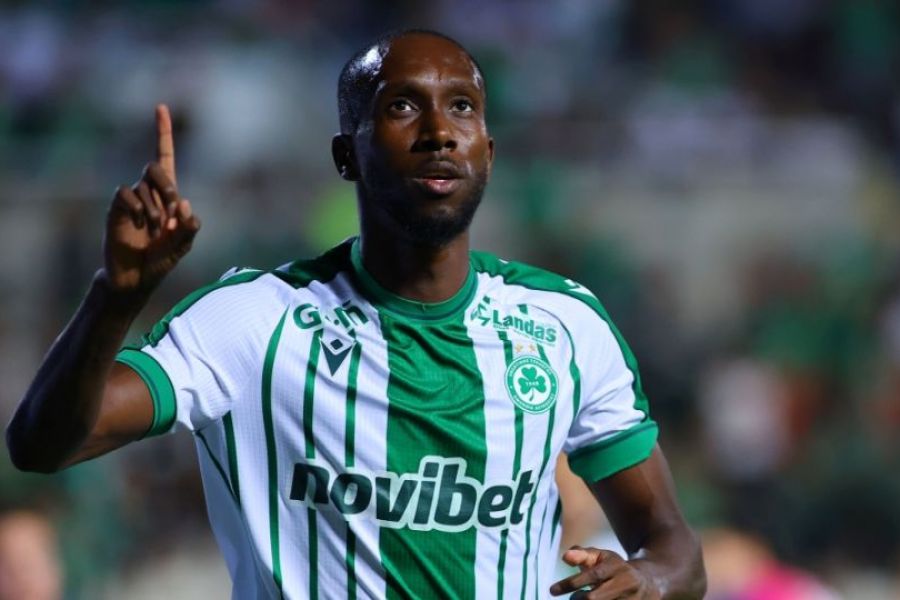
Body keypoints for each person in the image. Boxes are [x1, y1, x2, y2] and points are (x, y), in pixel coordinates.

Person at [6, 29, 705, 599]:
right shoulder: (253, 322)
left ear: (488, 152)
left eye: (462, 107)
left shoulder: (565, 327)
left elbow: (676, 551)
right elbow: (41, 445)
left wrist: (647, 579)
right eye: (403, 107)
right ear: (347, 154)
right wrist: (116, 295)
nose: (440, 131)